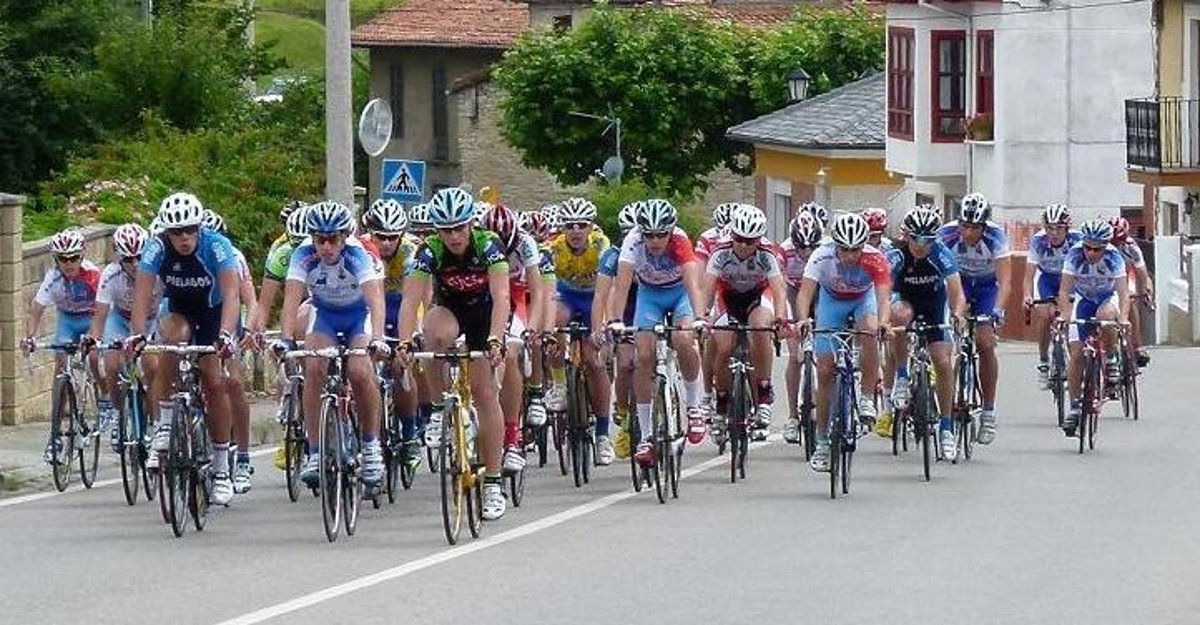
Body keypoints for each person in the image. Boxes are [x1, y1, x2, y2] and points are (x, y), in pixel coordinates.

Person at [395, 187, 511, 521]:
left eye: (459, 228)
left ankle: (493, 481)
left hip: (485, 315)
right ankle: (436, 408)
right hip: (450, 310)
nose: (454, 236)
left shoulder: (488, 245)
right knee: (433, 333)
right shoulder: (428, 250)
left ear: (470, 224)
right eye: (446, 230)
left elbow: (502, 297)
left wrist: (495, 339)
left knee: (484, 393)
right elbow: (410, 301)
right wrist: (404, 342)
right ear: (437, 231)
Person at [126, 192, 242, 505]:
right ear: (167, 233)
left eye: (190, 230)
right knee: (171, 341)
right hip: (179, 309)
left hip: (213, 312)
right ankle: (164, 425)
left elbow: (232, 294)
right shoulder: (156, 247)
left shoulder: (216, 245)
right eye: (177, 232)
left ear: (199, 228)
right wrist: (138, 335)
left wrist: (225, 335)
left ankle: (221, 470)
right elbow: (142, 296)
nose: (185, 238)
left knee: (214, 380)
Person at [275, 200, 389, 494]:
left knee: (360, 371)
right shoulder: (302, 255)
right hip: (325, 315)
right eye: (319, 239)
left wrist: (378, 338)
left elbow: (376, 301)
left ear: (344, 236)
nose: (326, 246)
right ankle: (315, 451)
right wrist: (286, 338)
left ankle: (371, 446)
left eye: (332, 239)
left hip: (358, 316)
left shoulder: (357, 255)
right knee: (313, 368)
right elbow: (291, 301)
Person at [606, 199, 707, 466]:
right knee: (643, 357)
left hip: (679, 294)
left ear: (670, 231)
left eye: (661, 234)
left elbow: (693, 285)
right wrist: (615, 320)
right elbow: (622, 285)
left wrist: (699, 318)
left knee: (683, 338)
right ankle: (646, 436)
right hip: (649, 296)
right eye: (649, 235)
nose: (654, 241)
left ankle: (694, 406)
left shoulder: (680, 240)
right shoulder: (632, 241)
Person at [793, 213, 892, 472]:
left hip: (862, 300)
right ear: (835, 245)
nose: (850, 255)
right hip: (832, 302)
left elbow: (883, 298)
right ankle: (822, 441)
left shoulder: (875, 258)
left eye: (855, 250)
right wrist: (802, 320)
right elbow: (805, 294)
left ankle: (867, 396)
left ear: (863, 246)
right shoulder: (821, 256)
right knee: (825, 371)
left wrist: (884, 322)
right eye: (844, 250)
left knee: (870, 330)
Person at [880, 206, 967, 460]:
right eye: (915, 238)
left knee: (942, 361)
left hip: (933, 304)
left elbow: (957, 293)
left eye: (927, 240)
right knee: (899, 317)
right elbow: (883, 291)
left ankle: (947, 427)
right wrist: (884, 321)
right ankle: (902, 375)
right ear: (906, 235)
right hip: (904, 299)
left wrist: (958, 315)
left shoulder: (942, 254)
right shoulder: (895, 255)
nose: (920, 245)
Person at [698, 204, 790, 444]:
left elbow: (779, 289)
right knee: (723, 346)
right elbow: (707, 287)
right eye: (739, 239)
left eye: (750, 241)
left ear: (759, 240)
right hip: (727, 297)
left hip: (757, 295)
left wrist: (780, 318)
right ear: (732, 235)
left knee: (760, 328)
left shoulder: (767, 253)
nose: (743, 246)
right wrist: (703, 316)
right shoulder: (720, 251)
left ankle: (763, 393)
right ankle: (721, 401)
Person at [937, 192, 1010, 445]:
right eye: (964, 226)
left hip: (987, 288)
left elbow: (1005, 282)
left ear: (984, 226)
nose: (968, 233)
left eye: (975, 227)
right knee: (946, 340)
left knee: (985, 342)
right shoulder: (946, 235)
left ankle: (988, 412)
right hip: (958, 284)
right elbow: (938, 274)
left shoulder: (996, 237)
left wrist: (998, 310)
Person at [479, 203, 547, 473]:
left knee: (510, 352)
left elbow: (538, 291)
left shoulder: (525, 243)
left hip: (516, 297)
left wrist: (532, 328)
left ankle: (512, 436)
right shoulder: (477, 240)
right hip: (484, 297)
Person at [24, 229, 103, 462]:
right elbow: (36, 311)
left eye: (74, 258)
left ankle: (105, 396)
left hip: (91, 317)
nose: (69, 264)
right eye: (63, 259)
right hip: (67, 320)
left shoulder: (92, 274)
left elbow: (104, 307)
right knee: (60, 369)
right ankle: (56, 434)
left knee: (94, 358)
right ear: (56, 259)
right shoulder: (53, 278)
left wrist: (94, 335)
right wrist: (30, 337)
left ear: (82, 256)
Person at [546, 197, 615, 463]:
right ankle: (560, 383)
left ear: (591, 227)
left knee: (594, 362)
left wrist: (601, 328)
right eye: (569, 225)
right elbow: (546, 290)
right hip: (566, 297)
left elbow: (606, 292)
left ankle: (603, 435)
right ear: (562, 228)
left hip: (594, 300)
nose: (575, 230)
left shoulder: (601, 246)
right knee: (555, 322)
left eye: (582, 225)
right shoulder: (553, 249)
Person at [80, 224, 158, 454]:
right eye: (128, 259)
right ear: (119, 259)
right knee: (111, 364)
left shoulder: (157, 272)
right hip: (121, 319)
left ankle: (155, 424)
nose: (135, 264)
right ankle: (117, 413)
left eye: (140, 257)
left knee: (152, 367)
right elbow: (100, 315)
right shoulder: (110, 275)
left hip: (151, 320)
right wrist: (94, 339)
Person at [361, 198, 424, 469]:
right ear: (370, 233)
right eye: (380, 236)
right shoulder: (360, 248)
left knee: (401, 367)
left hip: (401, 307)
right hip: (370, 307)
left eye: (392, 237)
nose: (386, 243)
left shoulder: (411, 250)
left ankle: (409, 434)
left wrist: (413, 334)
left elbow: (416, 298)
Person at [1057, 219, 1129, 435]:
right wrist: (1064, 316)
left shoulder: (1114, 257)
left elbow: (1123, 293)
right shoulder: (1074, 254)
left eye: (1097, 249)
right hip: (1083, 299)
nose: (1091, 253)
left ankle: (1111, 357)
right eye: (1087, 247)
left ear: (1106, 246)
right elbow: (1064, 291)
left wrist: (1123, 318)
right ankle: (1074, 407)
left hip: (1107, 297)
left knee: (1105, 316)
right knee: (1077, 354)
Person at [593, 202, 640, 458]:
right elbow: (603, 294)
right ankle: (623, 418)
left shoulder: (655, 250)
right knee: (625, 363)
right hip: (627, 303)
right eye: (626, 232)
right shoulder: (613, 255)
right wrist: (607, 323)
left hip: (652, 300)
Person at [1023, 203, 1082, 389]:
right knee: (1044, 314)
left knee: (1069, 318)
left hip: (1071, 280)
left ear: (1067, 228)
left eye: (1059, 228)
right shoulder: (1038, 241)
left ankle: (1074, 366)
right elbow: (1029, 275)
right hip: (1047, 279)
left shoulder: (1077, 240)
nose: (1054, 233)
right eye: (1049, 228)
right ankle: (1043, 361)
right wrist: (1027, 295)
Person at [780, 212, 823, 444]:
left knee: (825, 353)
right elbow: (776, 284)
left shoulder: (827, 248)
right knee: (795, 356)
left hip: (821, 294)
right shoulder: (784, 251)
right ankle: (792, 416)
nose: (806, 253)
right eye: (801, 248)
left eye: (811, 247)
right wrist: (783, 320)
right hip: (794, 293)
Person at [1107, 216, 1154, 367]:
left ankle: (1137, 345)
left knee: (1131, 300)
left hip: (1126, 276)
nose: (1116, 245)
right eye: (1112, 242)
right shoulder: (1100, 246)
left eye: (1119, 241)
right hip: (1105, 280)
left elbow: (1143, 273)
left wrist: (1147, 291)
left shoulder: (1131, 246)